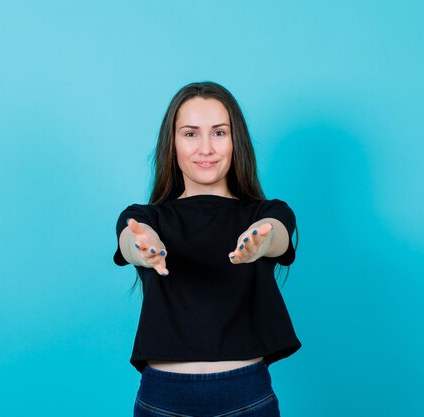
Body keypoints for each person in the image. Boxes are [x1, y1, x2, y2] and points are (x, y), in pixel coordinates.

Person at [112, 81, 301, 417]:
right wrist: (144, 247)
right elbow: (130, 241)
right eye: (190, 134)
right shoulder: (144, 218)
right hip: (162, 399)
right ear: (171, 144)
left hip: (246, 397)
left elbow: (278, 237)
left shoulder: (265, 214)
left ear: (235, 141)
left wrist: (260, 240)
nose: (205, 148)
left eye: (218, 133)